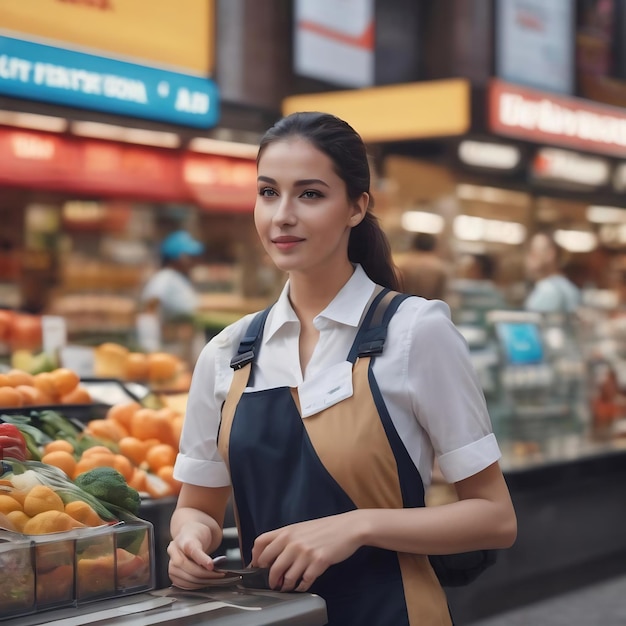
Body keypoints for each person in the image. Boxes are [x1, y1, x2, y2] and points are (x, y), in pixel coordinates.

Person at [167, 112, 517, 625]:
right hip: (273, 617)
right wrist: (189, 541)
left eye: (309, 194)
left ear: (357, 206)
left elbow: (495, 518)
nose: (282, 216)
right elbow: (196, 506)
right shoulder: (226, 352)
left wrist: (359, 526)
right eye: (268, 193)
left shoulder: (416, 332)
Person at [138, 230, 204, 358]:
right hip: (169, 352)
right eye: (188, 257)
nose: (193, 261)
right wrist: (151, 349)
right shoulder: (163, 279)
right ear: (176, 257)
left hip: (185, 350)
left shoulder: (180, 280)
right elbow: (149, 312)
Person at [523, 230, 581, 314]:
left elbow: (533, 325)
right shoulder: (570, 288)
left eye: (534, 252)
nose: (529, 257)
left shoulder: (548, 290)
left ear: (551, 254)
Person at [397, 231, 450, 300]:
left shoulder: (402, 264)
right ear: (433, 246)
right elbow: (441, 295)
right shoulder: (440, 268)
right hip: (429, 307)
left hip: (404, 305)